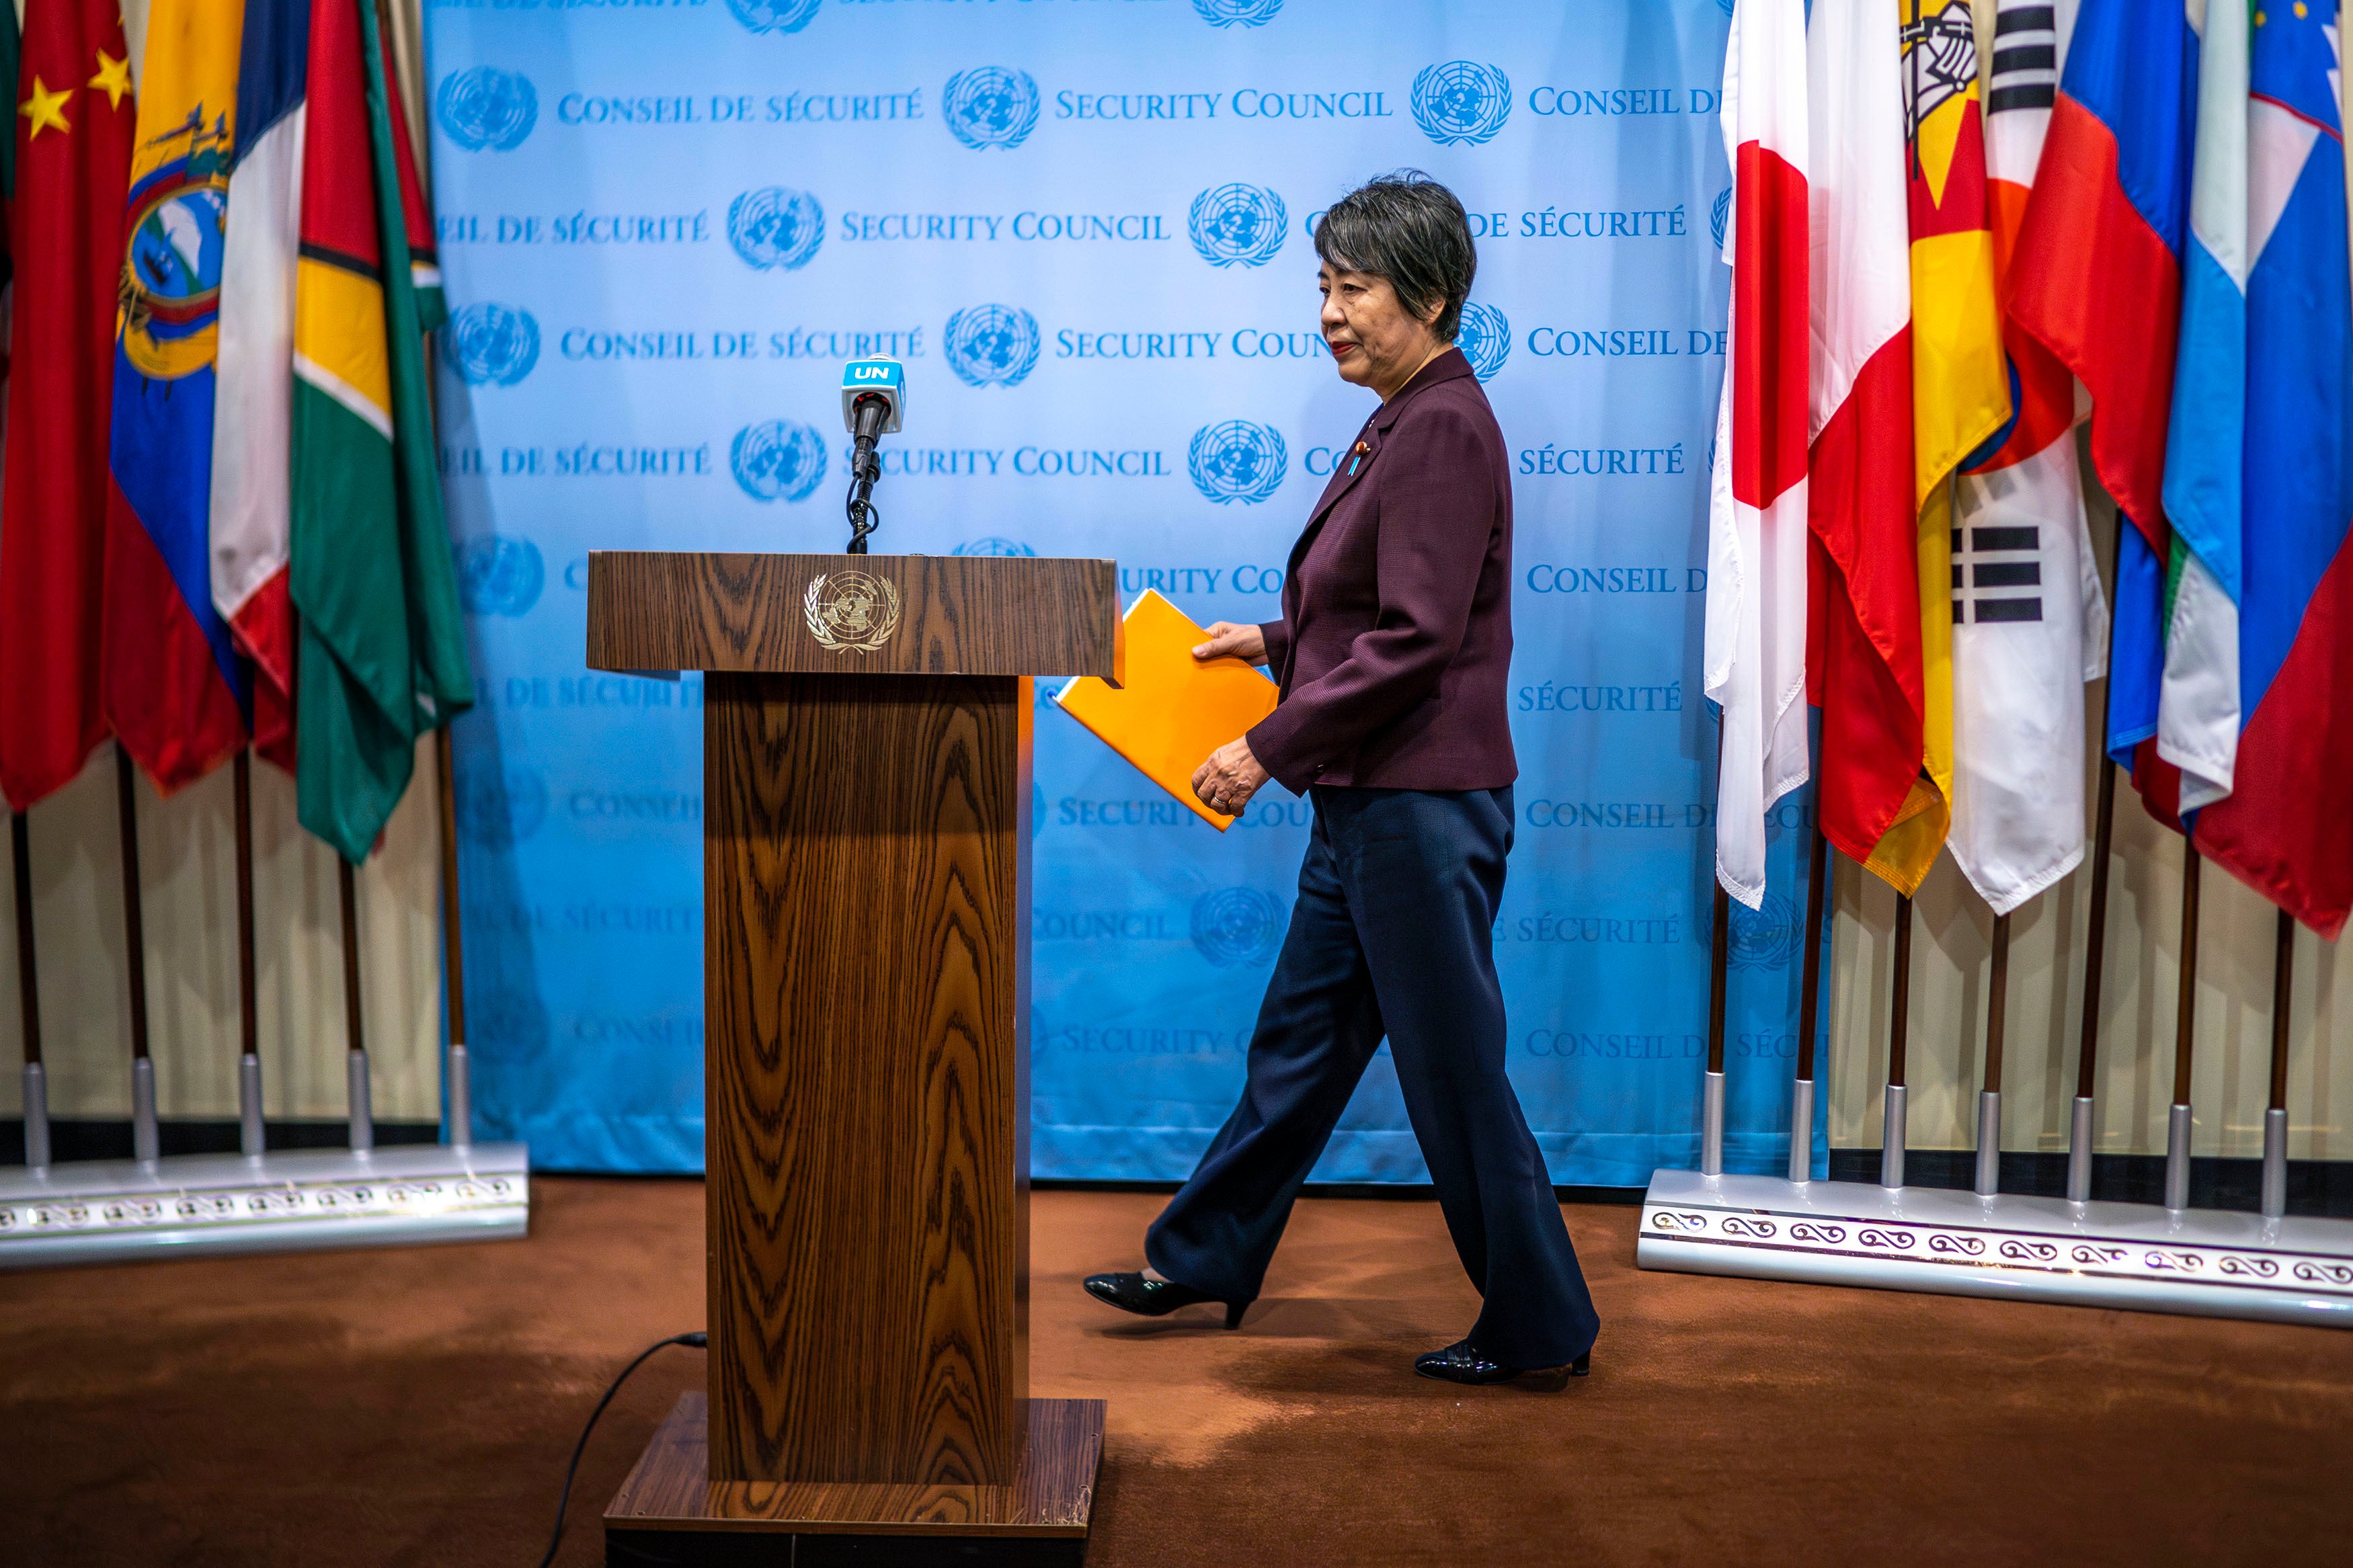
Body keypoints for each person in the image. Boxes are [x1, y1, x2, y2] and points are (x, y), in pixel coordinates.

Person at [1082, 173, 1602, 1385]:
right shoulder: (1407, 416)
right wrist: (1271, 639)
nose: (1329, 311)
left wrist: (1266, 745)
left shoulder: (1442, 426)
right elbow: (1384, 602)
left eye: (1354, 287)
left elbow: (1417, 640)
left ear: (1431, 296)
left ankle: (1539, 1326)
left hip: (1416, 809)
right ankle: (1207, 1254)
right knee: (1301, 1047)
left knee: (1455, 1076)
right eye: (1323, 285)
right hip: (1371, 802)